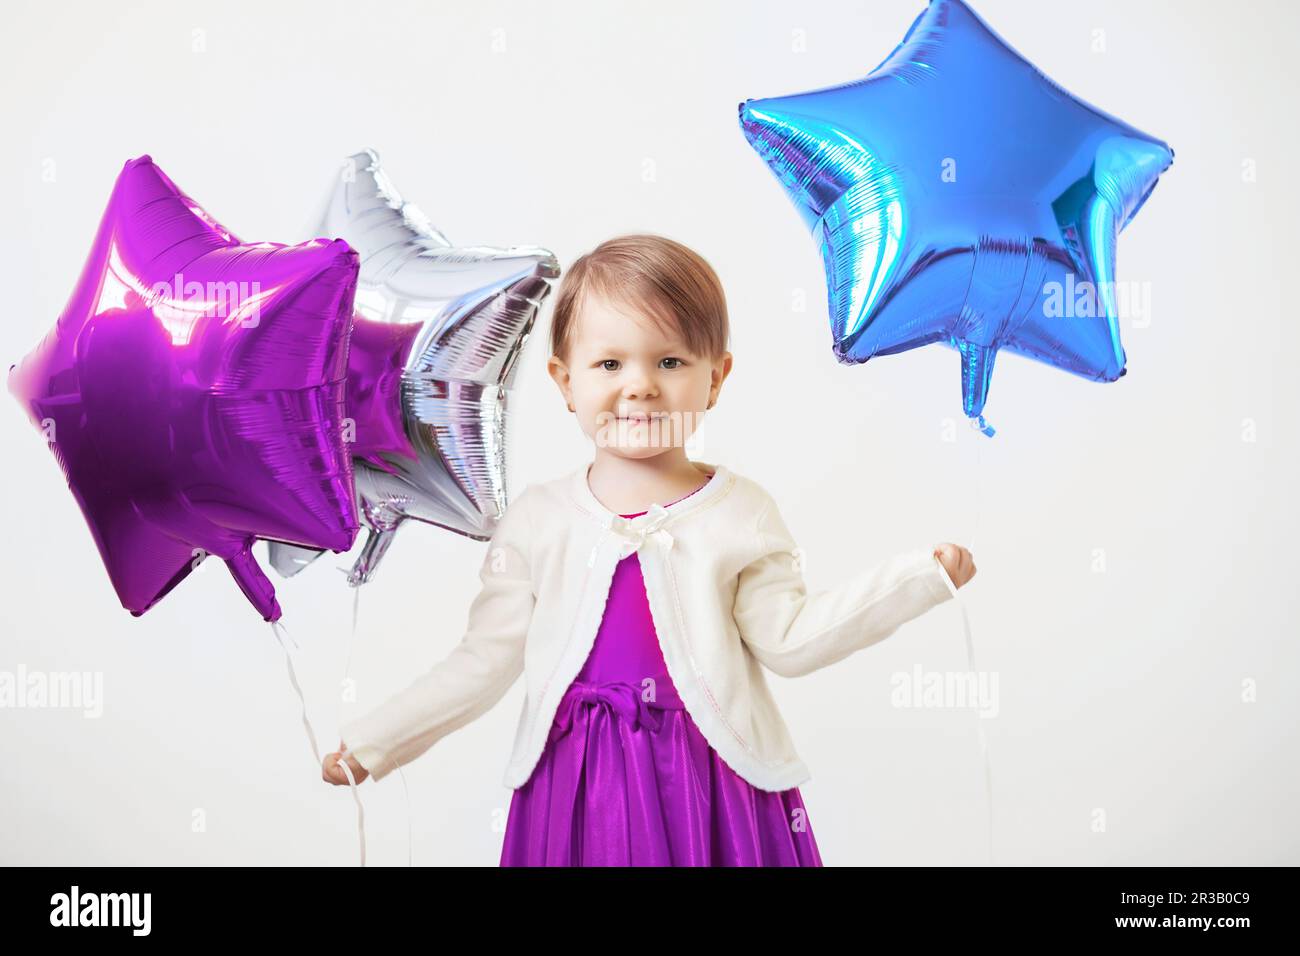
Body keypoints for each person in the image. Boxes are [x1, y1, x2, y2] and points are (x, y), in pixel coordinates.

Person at [322, 234, 976, 865]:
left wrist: (919, 579)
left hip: (710, 778)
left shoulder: (740, 512)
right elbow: (482, 662)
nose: (639, 386)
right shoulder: (539, 520)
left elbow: (791, 640)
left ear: (715, 379)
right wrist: (378, 743)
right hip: (575, 782)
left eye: (670, 361)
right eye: (609, 363)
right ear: (564, 381)